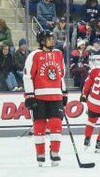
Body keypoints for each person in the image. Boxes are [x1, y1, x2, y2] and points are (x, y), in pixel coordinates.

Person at [23, 30, 67, 167]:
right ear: (42, 41)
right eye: (49, 38)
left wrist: (64, 92)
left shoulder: (58, 54)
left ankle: (55, 152)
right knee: (40, 124)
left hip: (56, 96)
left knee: (56, 123)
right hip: (39, 96)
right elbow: (27, 76)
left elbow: (61, 75)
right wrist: (30, 95)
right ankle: (40, 153)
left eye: (52, 38)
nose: (52, 40)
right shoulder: (34, 55)